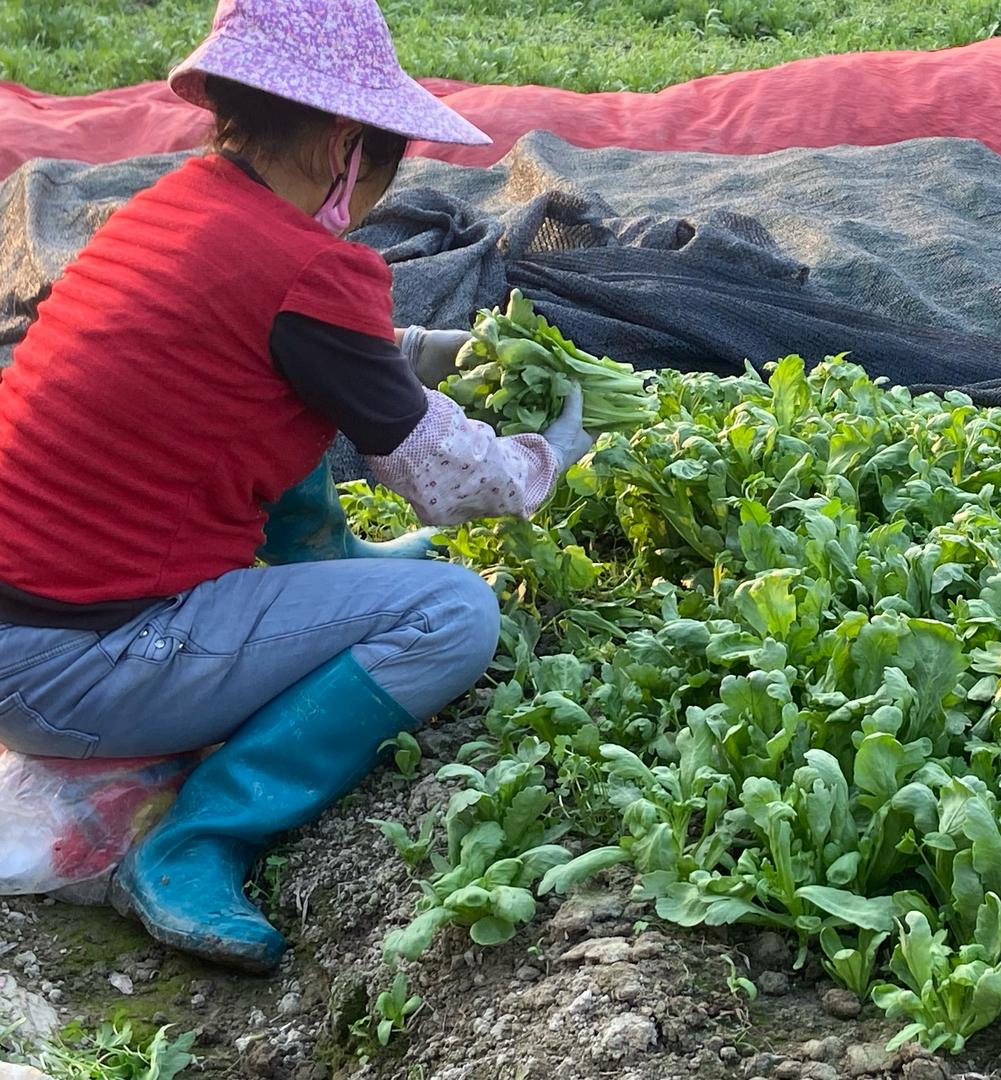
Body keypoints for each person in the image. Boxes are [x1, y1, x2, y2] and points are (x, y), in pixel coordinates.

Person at [0, 0, 594, 972]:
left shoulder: (172, 208)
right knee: (451, 613)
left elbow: (268, 367)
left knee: (273, 414)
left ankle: (329, 568)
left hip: (27, 628)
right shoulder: (310, 269)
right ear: (345, 145)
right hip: (77, 664)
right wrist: (540, 461)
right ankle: (197, 841)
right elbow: (444, 479)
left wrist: (410, 355)